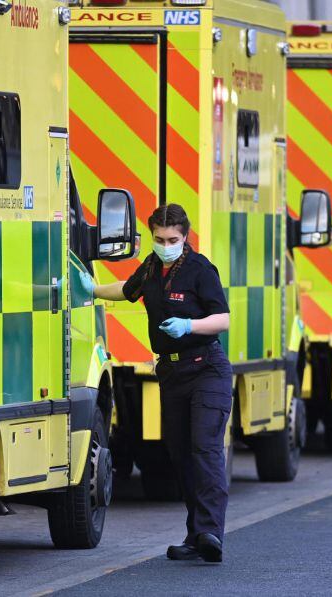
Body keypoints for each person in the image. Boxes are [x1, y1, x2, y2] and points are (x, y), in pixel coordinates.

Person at [81, 203, 233, 563]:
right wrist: (94, 290)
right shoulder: (152, 265)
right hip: (172, 373)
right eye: (160, 238)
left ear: (186, 237)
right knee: (180, 454)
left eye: (173, 239)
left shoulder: (199, 269)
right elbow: (129, 289)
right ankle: (196, 534)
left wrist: (189, 326)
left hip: (206, 368)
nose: (166, 244)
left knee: (205, 449)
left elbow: (222, 318)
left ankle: (211, 532)